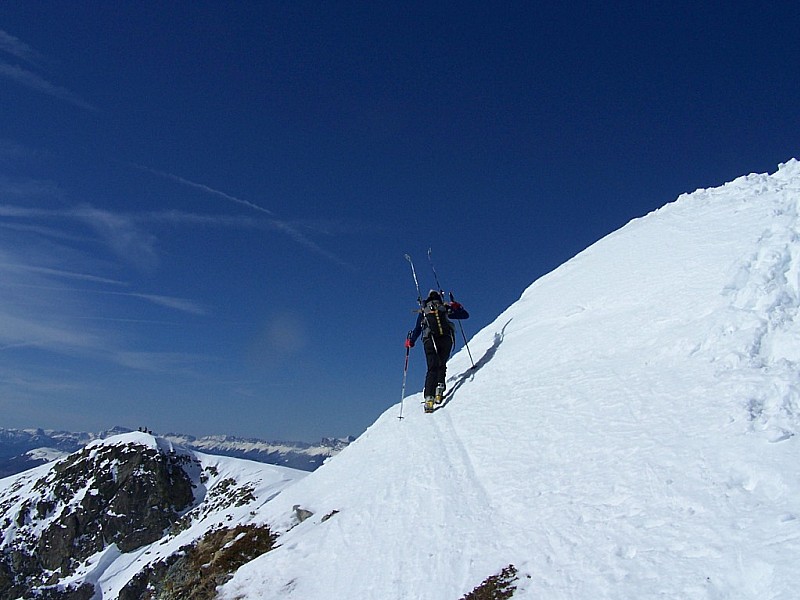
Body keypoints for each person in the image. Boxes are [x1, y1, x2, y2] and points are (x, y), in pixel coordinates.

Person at [405, 289, 469, 411]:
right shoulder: (444, 308)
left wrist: (411, 341)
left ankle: (429, 398)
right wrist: (457, 307)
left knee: (432, 367)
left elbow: (418, 328)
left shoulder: (425, 310)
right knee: (441, 364)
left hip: (429, 340)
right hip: (446, 339)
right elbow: (464, 315)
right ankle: (439, 389)